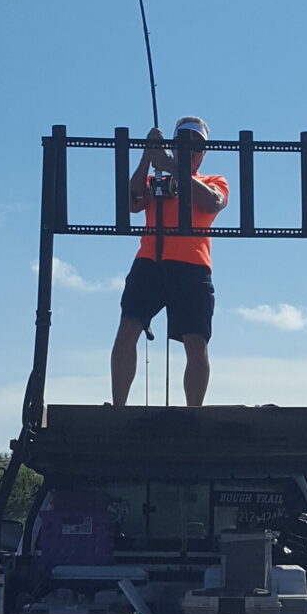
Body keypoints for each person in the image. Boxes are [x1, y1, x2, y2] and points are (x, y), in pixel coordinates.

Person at [111, 117, 229, 407]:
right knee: (127, 332)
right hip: (149, 263)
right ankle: (118, 409)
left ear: (204, 152)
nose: (190, 151)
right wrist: (147, 156)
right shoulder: (157, 181)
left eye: (197, 146)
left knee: (196, 343)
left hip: (193, 268)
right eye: (183, 144)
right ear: (174, 147)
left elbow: (212, 201)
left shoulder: (214, 181)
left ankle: (194, 414)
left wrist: (169, 165)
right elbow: (132, 202)